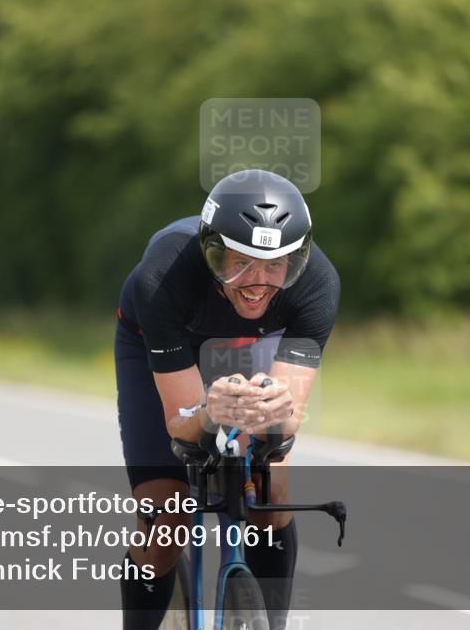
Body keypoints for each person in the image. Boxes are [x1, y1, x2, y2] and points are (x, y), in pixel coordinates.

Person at [115, 169, 340, 630]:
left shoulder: (317, 284)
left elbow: (288, 420)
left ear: (297, 261)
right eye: (239, 262)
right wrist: (207, 412)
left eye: (275, 265)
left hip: (253, 342)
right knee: (167, 522)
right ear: (212, 251)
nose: (257, 283)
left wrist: (277, 414)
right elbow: (182, 425)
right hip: (159, 340)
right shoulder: (162, 276)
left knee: (272, 492)